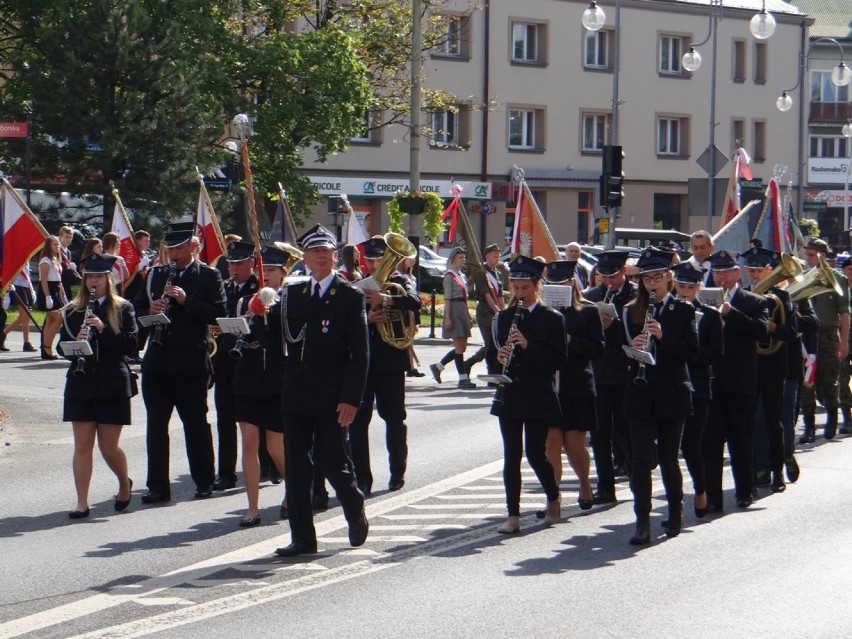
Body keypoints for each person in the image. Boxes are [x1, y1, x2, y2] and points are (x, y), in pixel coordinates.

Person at [268, 224, 369, 557]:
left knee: (331, 460)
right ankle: (303, 538)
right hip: (297, 392)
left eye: (326, 251)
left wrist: (351, 398)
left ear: (335, 257)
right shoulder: (292, 295)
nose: (321, 257)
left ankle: (353, 504)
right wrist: (258, 310)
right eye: (315, 252)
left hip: (332, 394)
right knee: (296, 469)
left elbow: (360, 353)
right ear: (305, 259)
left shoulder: (350, 296)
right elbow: (276, 338)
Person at [134, 222, 226, 504]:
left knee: (195, 424)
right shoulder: (156, 274)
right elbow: (135, 307)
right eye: (170, 248)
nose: (174, 253)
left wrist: (187, 301)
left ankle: (204, 480)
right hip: (158, 361)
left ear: (194, 246)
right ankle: (158, 486)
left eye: (179, 247)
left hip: (190, 362)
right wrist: (149, 310)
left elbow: (218, 314)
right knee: (156, 426)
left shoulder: (210, 276)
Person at [621, 247, 697, 544]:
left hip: (671, 392)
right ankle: (642, 520)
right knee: (641, 459)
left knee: (667, 457)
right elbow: (618, 353)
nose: (651, 284)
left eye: (656, 278)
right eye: (646, 279)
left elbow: (692, 352)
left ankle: (675, 513)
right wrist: (634, 348)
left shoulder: (684, 310)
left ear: (668, 278)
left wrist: (663, 337)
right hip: (640, 392)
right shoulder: (630, 311)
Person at [491, 256, 566, 534]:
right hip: (510, 393)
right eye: (516, 288)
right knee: (511, 455)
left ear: (537, 286)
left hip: (538, 395)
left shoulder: (552, 319)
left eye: (525, 288)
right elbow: (493, 356)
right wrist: (499, 358)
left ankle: (553, 496)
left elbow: (559, 360)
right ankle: (513, 515)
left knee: (536, 454)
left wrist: (528, 345)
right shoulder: (503, 318)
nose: (520, 294)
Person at [58, 253, 137, 518]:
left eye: (99, 277)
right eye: (90, 277)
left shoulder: (123, 308)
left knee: (108, 447)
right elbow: (61, 347)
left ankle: (124, 483)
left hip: (112, 383)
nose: (94, 282)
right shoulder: (72, 309)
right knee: (82, 445)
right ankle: (82, 501)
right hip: (81, 383)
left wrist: (103, 328)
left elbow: (131, 346)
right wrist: (77, 342)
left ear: (108, 279)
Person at [349, 235, 422, 496]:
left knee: (394, 418)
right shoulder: (355, 285)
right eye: (369, 259)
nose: (373, 264)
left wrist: (387, 300)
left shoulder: (399, 282)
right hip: (361, 364)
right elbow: (343, 321)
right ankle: (362, 478)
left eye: (378, 259)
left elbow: (416, 303)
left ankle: (397, 473)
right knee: (357, 423)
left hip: (390, 362)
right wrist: (366, 319)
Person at [702, 249, 769, 512]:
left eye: (724, 272)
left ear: (735, 273)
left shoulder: (753, 301)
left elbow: (761, 331)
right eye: (716, 273)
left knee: (741, 439)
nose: (720, 278)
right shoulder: (703, 299)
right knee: (710, 442)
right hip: (711, 380)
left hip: (740, 382)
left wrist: (731, 313)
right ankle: (713, 498)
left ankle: (745, 490)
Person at [233, 244, 291, 527]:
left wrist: (270, 310)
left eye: (271, 270)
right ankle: (252, 506)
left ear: (282, 272)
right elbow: (234, 337)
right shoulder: (246, 300)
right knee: (249, 443)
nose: (266, 275)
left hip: (276, 380)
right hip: (247, 379)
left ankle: (294, 490)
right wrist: (245, 321)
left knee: (275, 447)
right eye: (262, 269)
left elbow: (287, 338)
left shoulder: (289, 300)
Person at [543, 260, 604, 513]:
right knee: (551, 443)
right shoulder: (542, 313)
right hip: (550, 385)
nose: (558, 288)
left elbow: (597, 348)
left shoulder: (588, 311)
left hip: (577, 383)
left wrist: (569, 340)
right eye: (552, 285)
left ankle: (584, 484)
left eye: (562, 284)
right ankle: (553, 498)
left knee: (574, 444)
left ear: (572, 283)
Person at [582, 251, 636, 504]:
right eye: (604, 277)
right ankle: (605, 487)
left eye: (613, 276)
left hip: (626, 372)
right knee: (600, 433)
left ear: (623, 272)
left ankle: (637, 479)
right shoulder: (591, 297)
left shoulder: (636, 296)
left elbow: (637, 334)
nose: (608, 282)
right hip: (600, 373)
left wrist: (612, 327)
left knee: (625, 430)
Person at [744, 247, 798, 494]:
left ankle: (777, 472)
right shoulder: (743, 297)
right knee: (751, 422)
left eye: (759, 270)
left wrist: (774, 327)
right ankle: (757, 469)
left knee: (774, 421)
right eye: (751, 270)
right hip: (751, 365)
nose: (755, 275)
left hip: (775, 366)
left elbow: (790, 333)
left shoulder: (782, 297)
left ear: (770, 271)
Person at [671, 261, 723, 519]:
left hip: (698, 386)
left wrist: (688, 350)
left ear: (698, 287)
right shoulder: (665, 311)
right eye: (680, 286)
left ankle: (701, 490)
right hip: (670, 384)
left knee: (692, 445)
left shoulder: (710, 316)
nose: (684, 291)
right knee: (669, 450)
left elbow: (716, 353)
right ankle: (675, 503)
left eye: (690, 287)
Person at [212, 241, 260, 491]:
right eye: (230, 263)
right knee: (225, 419)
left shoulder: (259, 287)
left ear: (251, 263)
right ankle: (226, 473)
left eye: (239, 263)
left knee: (255, 419)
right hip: (225, 360)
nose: (234, 268)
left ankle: (267, 465)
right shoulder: (224, 287)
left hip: (251, 361)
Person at [799, 239, 849, 442]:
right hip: (807, 334)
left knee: (829, 380)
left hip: (828, 334)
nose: (808, 258)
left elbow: (845, 313)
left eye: (812, 255)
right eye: (807, 255)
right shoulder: (802, 277)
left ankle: (832, 418)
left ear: (822, 254)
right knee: (807, 381)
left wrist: (844, 341)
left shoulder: (837, 278)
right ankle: (809, 426)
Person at [430, 247, 476, 388]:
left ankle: (438, 366)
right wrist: (447, 318)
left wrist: (468, 316)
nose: (463, 260)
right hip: (454, 309)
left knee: (462, 346)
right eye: (460, 257)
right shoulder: (450, 276)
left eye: (464, 257)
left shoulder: (460, 275)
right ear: (453, 259)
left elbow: (465, 297)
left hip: (461, 308)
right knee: (459, 346)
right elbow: (448, 298)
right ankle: (462, 378)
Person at [464, 244, 508, 378]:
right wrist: (497, 313)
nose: (497, 258)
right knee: (490, 343)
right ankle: (470, 364)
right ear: (487, 256)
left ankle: (493, 373)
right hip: (485, 311)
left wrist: (503, 312)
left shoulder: (496, 273)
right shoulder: (481, 273)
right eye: (495, 256)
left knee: (496, 343)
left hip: (495, 310)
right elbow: (487, 296)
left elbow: (499, 295)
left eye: (498, 256)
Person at [36, 235, 67, 360]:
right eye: (55, 244)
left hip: (56, 289)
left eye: (58, 244)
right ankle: (46, 347)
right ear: (49, 246)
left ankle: (46, 349)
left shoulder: (56, 259)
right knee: (58, 318)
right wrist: (48, 297)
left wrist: (63, 295)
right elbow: (44, 280)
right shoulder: (46, 260)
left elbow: (59, 279)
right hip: (47, 291)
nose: (58, 246)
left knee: (50, 320)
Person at [2, 266, 39, 352]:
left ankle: (26, 342)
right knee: (25, 315)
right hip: (17, 284)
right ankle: (3, 334)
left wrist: (31, 289)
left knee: (26, 316)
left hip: (25, 284)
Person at [58, 226, 82, 295]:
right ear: (60, 237)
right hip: (59, 283)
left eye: (70, 237)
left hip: (67, 284)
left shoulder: (68, 252)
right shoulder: (57, 250)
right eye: (66, 237)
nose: (69, 240)